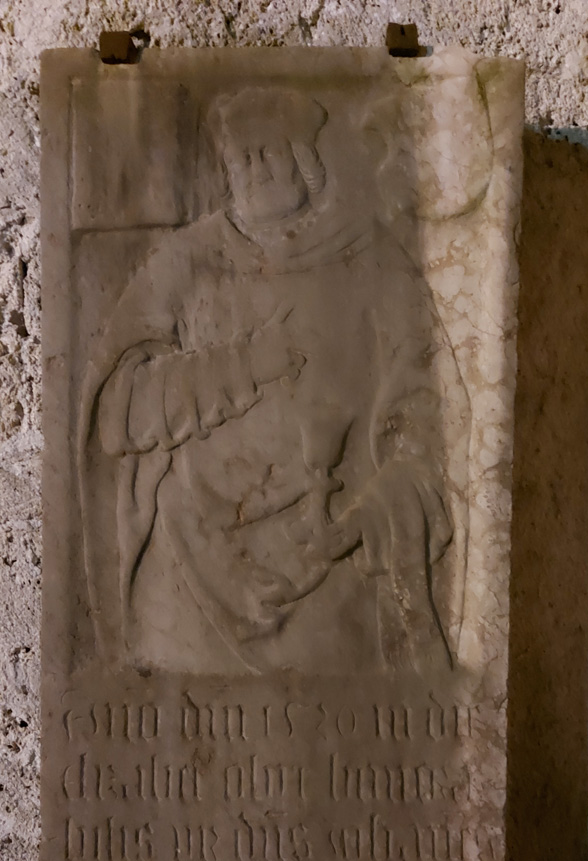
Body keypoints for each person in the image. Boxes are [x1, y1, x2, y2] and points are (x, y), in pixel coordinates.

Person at [79, 85, 470, 676]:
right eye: (241, 157)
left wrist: (371, 515)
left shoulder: (373, 260)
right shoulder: (186, 262)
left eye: (269, 151)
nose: (255, 168)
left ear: (303, 160)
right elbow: (118, 412)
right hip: (190, 571)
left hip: (329, 578)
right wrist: (243, 364)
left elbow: (427, 419)